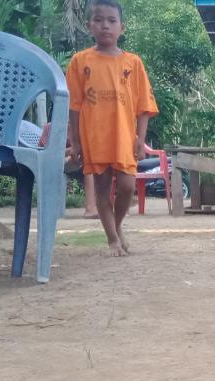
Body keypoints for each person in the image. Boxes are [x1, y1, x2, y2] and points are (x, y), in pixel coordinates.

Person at [66, 0, 158, 256]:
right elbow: (74, 106)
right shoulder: (79, 62)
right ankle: (112, 240)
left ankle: (116, 227)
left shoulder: (133, 63)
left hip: (124, 138)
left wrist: (141, 138)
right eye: (98, 19)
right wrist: (76, 142)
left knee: (128, 186)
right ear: (89, 26)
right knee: (103, 188)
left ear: (122, 27)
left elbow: (144, 105)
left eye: (111, 20)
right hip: (95, 138)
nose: (105, 25)